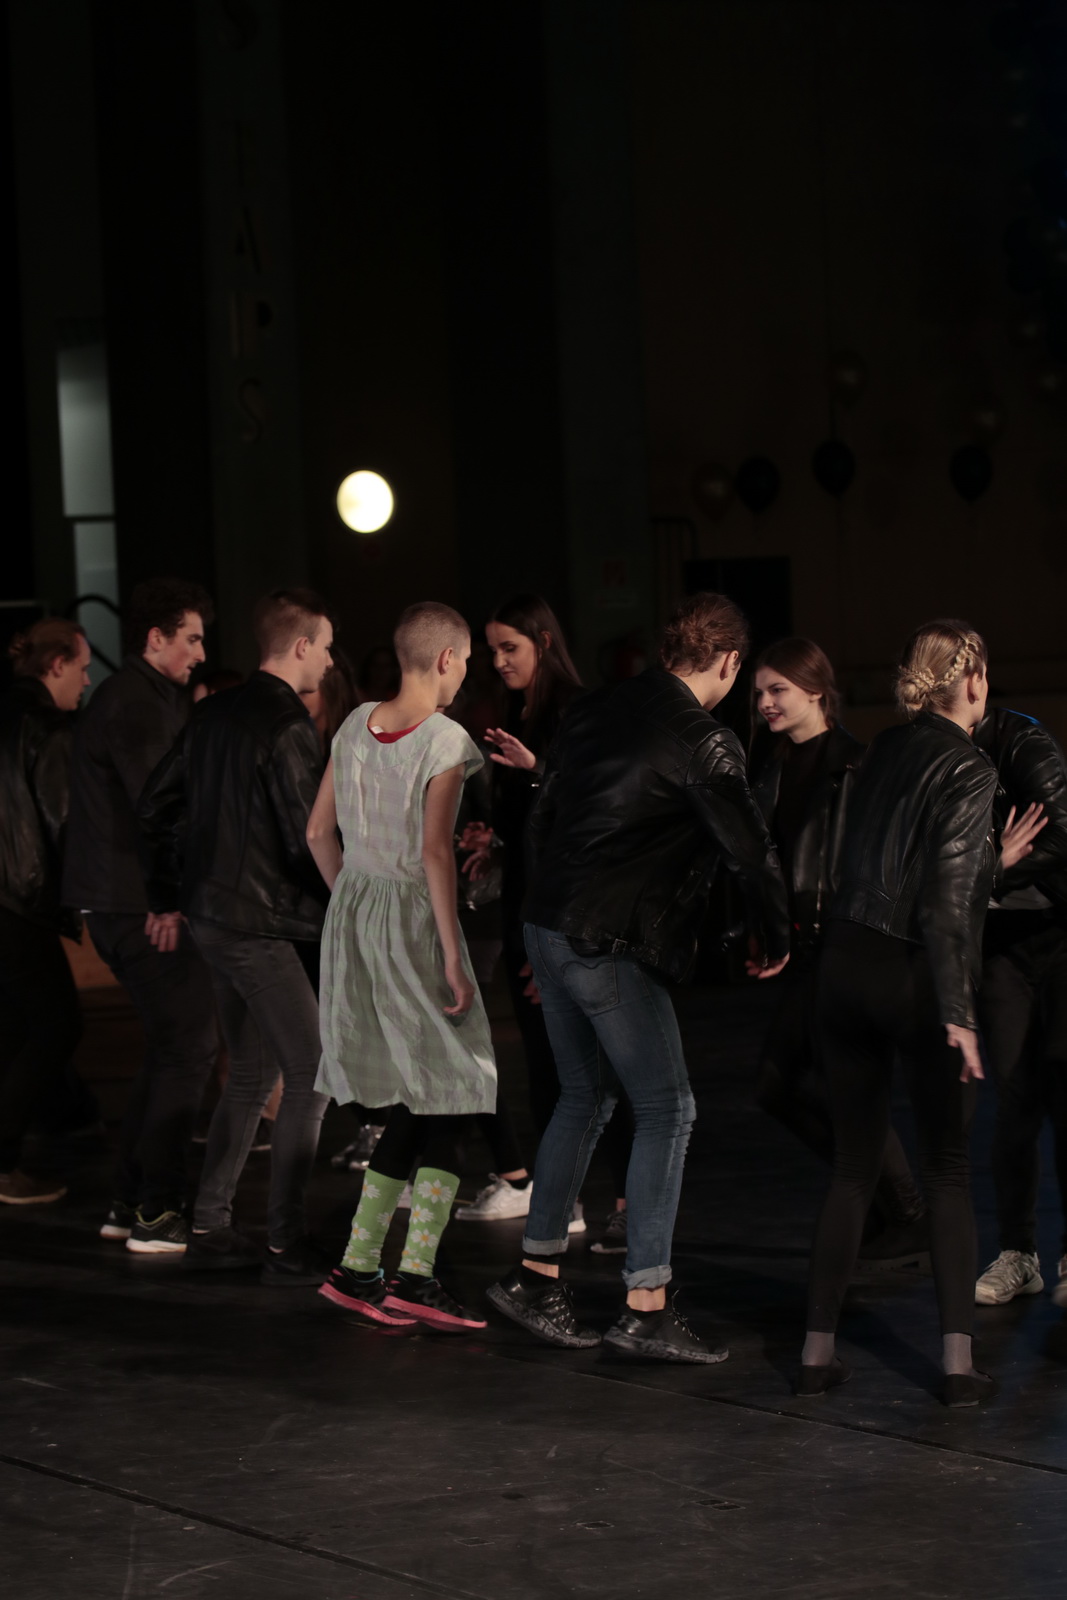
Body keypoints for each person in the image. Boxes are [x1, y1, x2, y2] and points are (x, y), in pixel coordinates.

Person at [487, 591, 790, 1362]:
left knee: (584, 1096)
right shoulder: (706, 742)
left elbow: (545, 813)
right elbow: (750, 853)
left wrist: (538, 932)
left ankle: (534, 1278)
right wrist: (777, 934)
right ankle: (645, 1305)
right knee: (667, 1108)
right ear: (729, 662)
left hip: (549, 922)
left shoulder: (595, 708)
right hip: (604, 939)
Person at [799, 620, 1045, 1408]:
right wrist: (959, 1012)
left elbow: (867, 865)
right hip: (912, 976)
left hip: (843, 964)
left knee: (852, 1168)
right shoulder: (970, 767)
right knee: (944, 1169)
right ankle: (957, 1369)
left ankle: (814, 1357)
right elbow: (940, 904)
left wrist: (988, 862)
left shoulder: (879, 749)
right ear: (971, 679)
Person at [139, 588, 334, 1284]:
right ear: (302, 645)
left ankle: (211, 1222)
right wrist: (347, 904)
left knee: (253, 1073)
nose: (331, 661)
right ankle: (285, 1240)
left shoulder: (213, 711)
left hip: (213, 916)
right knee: (311, 1072)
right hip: (259, 923)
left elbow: (153, 807)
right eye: (327, 646)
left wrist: (171, 894)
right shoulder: (286, 724)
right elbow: (306, 838)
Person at [313, 601, 496, 1332]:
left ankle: (360, 1266)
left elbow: (317, 832)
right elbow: (433, 852)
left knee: (421, 1100)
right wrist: (451, 952)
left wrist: (355, 905)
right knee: (454, 1090)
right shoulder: (445, 739)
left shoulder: (354, 723)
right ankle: (411, 1276)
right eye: (467, 661)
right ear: (447, 658)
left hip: (355, 914)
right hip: (415, 921)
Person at [750, 638, 928, 1267]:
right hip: (806, 950)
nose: (765, 702)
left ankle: (905, 1211)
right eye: (760, 692)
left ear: (816, 691)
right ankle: (892, 1205)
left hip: (846, 945)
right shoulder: (771, 768)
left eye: (778, 690)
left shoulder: (857, 763)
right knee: (781, 1089)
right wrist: (771, 932)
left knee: (817, 1087)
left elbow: (881, 860)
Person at [64, 577, 218, 1252]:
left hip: (123, 901)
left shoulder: (135, 697)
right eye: (191, 638)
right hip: (137, 906)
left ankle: (131, 1201)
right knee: (189, 1047)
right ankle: (155, 1210)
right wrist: (168, 899)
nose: (201, 654)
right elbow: (159, 807)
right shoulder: (137, 702)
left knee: (171, 1048)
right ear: (156, 639)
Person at [972, 705, 1067, 1306]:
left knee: (1064, 1085)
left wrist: (990, 872)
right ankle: (1019, 1254)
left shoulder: (1022, 742)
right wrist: (991, 865)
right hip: (1000, 945)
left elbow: (1060, 836)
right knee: (1014, 1099)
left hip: (1058, 932)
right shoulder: (930, 751)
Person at [0, 620, 91, 1203]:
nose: (86, 681)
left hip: (9, 895)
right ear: (56, 664)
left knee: (17, 1027)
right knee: (56, 1023)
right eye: (81, 668)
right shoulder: (47, 726)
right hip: (18, 897)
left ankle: (54, 1122)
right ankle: (4, 1160)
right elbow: (65, 821)